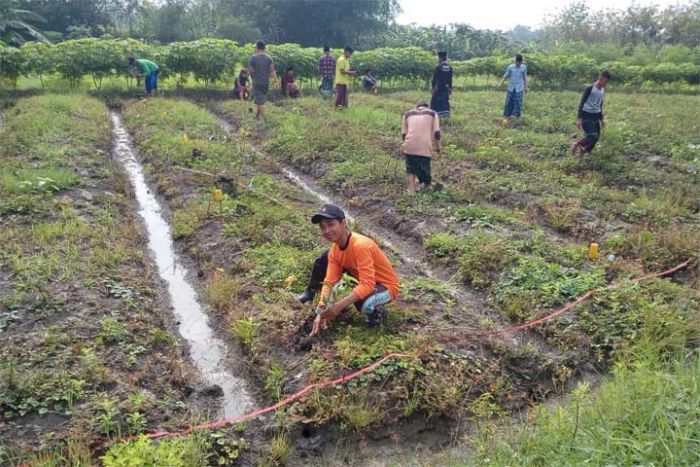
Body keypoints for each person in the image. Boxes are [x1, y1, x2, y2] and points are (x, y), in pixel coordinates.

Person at [298, 204, 400, 335]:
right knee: (358, 296)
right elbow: (329, 282)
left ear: (343, 223)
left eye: (330, 224)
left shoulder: (361, 246)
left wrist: (339, 306)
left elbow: (367, 284)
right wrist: (320, 311)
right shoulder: (334, 251)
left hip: (387, 286)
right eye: (322, 227)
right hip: (367, 282)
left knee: (363, 302)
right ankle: (310, 294)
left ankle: (377, 314)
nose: (327, 230)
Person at [402, 101, 441, 193]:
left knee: (410, 167)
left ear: (417, 107)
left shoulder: (407, 114)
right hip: (425, 144)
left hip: (409, 144)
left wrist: (406, 144)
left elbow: (404, 134)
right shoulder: (433, 113)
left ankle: (411, 189)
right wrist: (438, 147)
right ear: (427, 107)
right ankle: (426, 186)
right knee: (424, 167)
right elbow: (437, 133)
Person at [571, 70, 612, 160]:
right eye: (605, 81)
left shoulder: (602, 90)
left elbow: (599, 104)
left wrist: (602, 119)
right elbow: (582, 102)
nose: (606, 84)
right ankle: (577, 144)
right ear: (600, 79)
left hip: (596, 116)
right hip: (586, 115)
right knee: (591, 136)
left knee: (596, 138)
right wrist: (579, 118)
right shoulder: (590, 88)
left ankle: (582, 151)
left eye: (607, 82)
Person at [247, 41, 277, 119]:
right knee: (259, 99)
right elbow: (272, 71)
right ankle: (257, 116)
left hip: (257, 82)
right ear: (264, 48)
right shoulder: (269, 58)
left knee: (260, 101)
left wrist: (253, 78)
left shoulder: (253, 57)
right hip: (266, 82)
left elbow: (250, 71)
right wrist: (276, 81)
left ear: (257, 48)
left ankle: (265, 118)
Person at [499, 54, 528, 123]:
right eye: (517, 62)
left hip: (519, 88)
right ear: (515, 61)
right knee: (509, 101)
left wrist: (526, 87)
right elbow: (505, 76)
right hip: (511, 87)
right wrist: (501, 83)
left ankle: (516, 117)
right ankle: (507, 116)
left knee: (518, 102)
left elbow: (524, 78)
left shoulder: (523, 67)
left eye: (520, 63)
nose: (518, 64)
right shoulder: (510, 67)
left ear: (521, 62)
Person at [430, 51, 452, 119]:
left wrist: (433, 87)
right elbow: (450, 79)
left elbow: (435, 78)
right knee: (445, 100)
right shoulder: (449, 67)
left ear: (440, 58)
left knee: (436, 100)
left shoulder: (439, 67)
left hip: (439, 87)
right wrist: (450, 88)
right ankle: (446, 114)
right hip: (446, 87)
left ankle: (436, 114)